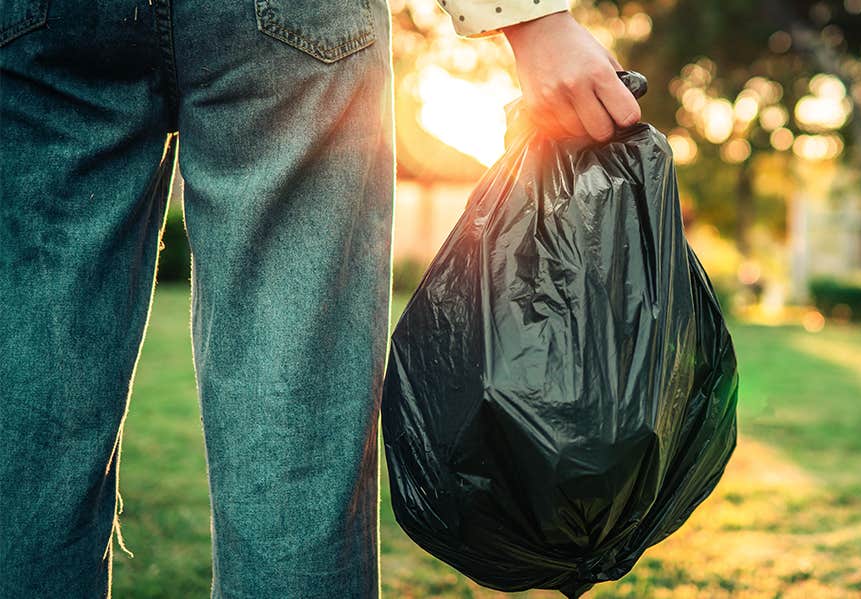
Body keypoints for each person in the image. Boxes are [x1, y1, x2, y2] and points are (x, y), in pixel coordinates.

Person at [0, 0, 640, 597]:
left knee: (29, 433)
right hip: (289, 24)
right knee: (293, 430)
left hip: (43, 22)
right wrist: (531, 19)